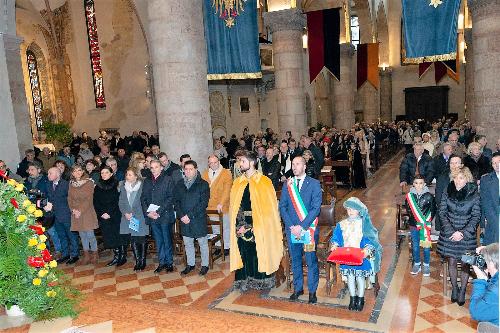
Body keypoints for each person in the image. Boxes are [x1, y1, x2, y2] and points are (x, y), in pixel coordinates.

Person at [229, 151, 283, 291]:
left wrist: (252, 227)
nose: (240, 164)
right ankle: (244, 280)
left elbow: (269, 211)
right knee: (243, 253)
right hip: (241, 224)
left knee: (257, 253)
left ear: (252, 163)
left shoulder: (264, 181)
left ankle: (262, 281)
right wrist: (240, 226)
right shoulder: (238, 182)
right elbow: (236, 207)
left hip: (259, 226)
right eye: (239, 161)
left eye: (243, 161)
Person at [279, 156, 322, 303]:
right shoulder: (288, 184)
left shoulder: (315, 184)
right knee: (295, 260)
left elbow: (316, 208)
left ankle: (312, 291)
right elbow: (282, 207)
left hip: (308, 230)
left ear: (304, 166)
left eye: (298, 164)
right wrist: (292, 226)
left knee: (311, 261)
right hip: (292, 230)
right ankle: (298, 288)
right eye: (293, 164)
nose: (295, 166)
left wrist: (302, 226)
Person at [437, 167, 481, 306]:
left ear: (467, 179)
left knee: (466, 263)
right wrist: (452, 232)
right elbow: (442, 212)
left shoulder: (474, 194)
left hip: (467, 236)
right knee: (451, 261)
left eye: (461, 178)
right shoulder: (447, 191)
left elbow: (476, 216)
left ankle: (462, 291)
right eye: (455, 177)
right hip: (449, 234)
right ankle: (455, 289)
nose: (457, 180)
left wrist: (462, 233)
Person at [330, 197, 382, 311]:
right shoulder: (342, 224)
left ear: (359, 210)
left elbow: (369, 238)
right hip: (347, 257)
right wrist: (335, 244)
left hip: (360, 257)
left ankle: (360, 298)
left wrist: (367, 249)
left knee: (359, 277)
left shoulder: (364, 224)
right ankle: (352, 298)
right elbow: (337, 237)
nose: (350, 211)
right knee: (350, 278)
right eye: (348, 209)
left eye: (353, 209)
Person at [174, 160, 211, 275]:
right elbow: (176, 201)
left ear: (196, 169)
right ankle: (190, 264)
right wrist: (181, 215)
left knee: (203, 243)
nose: (188, 171)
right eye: (186, 169)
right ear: (183, 170)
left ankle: (205, 265)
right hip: (184, 219)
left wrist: (189, 215)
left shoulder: (203, 184)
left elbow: (203, 203)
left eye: (191, 169)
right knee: (188, 243)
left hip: (198, 218)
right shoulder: (179, 184)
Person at [141, 159, 176, 273]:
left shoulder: (168, 179)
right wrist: (148, 212)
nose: (154, 169)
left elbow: (170, 197)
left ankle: (169, 262)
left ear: (161, 168)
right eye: (152, 167)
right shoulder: (147, 181)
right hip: (152, 216)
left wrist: (159, 211)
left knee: (167, 240)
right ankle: (162, 262)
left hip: (164, 215)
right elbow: (143, 198)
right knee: (158, 240)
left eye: (156, 167)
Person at [44, 167, 80, 264]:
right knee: (61, 236)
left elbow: (73, 199)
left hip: (66, 214)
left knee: (71, 235)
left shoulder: (66, 184)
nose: (48, 175)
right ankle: (65, 254)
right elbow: (49, 198)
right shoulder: (48, 185)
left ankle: (75, 254)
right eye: (48, 173)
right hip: (55, 215)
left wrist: (73, 210)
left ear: (58, 174)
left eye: (50, 173)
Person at [93, 166, 127, 266]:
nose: (104, 174)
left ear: (111, 174)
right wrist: (101, 213)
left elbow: (118, 200)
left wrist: (109, 213)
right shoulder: (98, 186)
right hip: (103, 215)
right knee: (110, 237)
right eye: (102, 173)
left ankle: (122, 256)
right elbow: (95, 201)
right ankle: (116, 256)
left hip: (115, 214)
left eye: (106, 172)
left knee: (119, 236)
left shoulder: (117, 184)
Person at [119, 167, 149, 271]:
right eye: (127, 174)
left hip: (139, 216)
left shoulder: (142, 186)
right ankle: (138, 261)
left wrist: (133, 213)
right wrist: (126, 213)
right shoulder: (123, 187)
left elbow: (145, 201)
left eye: (130, 175)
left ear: (136, 176)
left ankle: (143, 260)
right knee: (134, 239)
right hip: (128, 217)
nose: (127, 177)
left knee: (141, 238)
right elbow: (121, 202)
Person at [405, 175, 436, 276]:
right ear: (413, 184)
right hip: (414, 225)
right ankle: (417, 264)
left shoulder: (429, 196)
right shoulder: (409, 196)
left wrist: (426, 221)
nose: (418, 185)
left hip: (425, 226)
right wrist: (416, 221)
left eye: (421, 183)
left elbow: (433, 210)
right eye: (416, 183)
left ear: (424, 184)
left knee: (426, 246)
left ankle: (426, 265)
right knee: (415, 246)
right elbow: (409, 211)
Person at [202, 155, 232, 256]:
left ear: (218, 162)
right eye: (211, 163)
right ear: (208, 163)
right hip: (210, 206)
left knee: (226, 227)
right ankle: (219, 246)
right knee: (215, 228)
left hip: (223, 205)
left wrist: (221, 203)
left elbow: (227, 190)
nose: (213, 164)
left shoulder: (226, 173)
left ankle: (227, 246)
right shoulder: (205, 174)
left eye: (215, 162)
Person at [68, 165, 98, 265]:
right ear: (72, 173)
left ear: (83, 171)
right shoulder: (71, 184)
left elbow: (89, 199)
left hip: (87, 211)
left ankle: (94, 253)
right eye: (75, 171)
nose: (78, 172)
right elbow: (69, 199)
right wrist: (73, 210)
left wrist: (80, 210)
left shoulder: (89, 182)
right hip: (76, 212)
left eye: (79, 170)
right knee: (82, 235)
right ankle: (86, 255)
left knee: (90, 234)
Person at [469, 243, 499, 326]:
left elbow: (476, 312)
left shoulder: (495, 290)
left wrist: (481, 281)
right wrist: (492, 250)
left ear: (492, 264)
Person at [435, 155, 463, 231]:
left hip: (463, 215)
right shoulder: (442, 177)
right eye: (451, 163)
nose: (454, 165)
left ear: (461, 165)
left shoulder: (467, 178)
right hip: (445, 215)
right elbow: (438, 198)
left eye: (456, 163)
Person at [480, 152, 500, 245]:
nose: (497, 165)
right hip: (493, 215)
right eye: (494, 163)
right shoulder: (486, 179)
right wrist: (494, 219)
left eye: (499, 162)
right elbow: (486, 202)